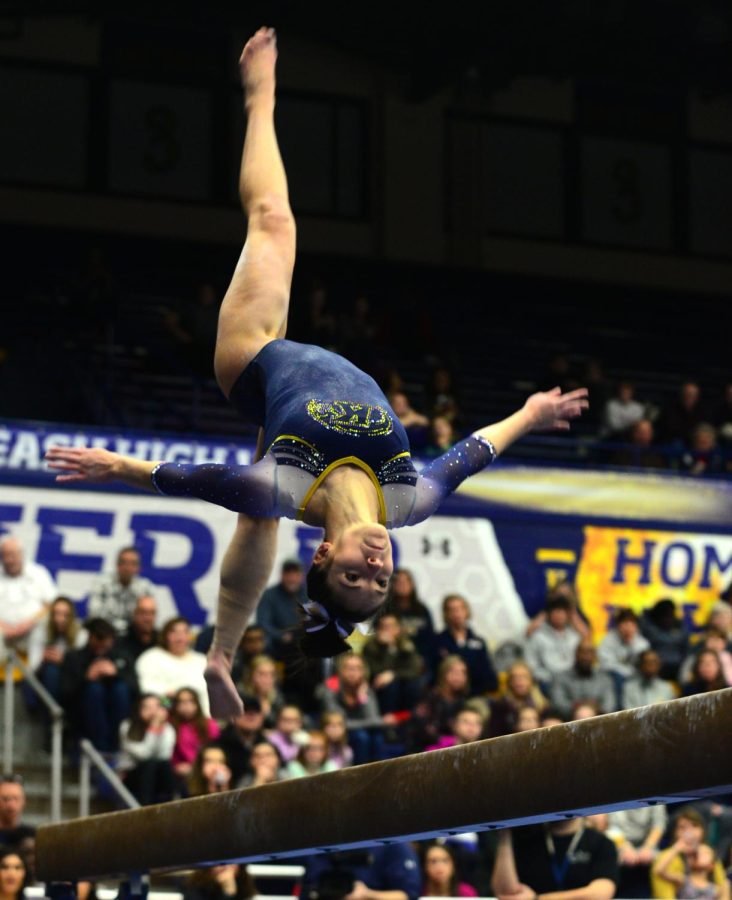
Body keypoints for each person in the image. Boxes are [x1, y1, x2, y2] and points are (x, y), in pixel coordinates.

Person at [45, 27, 588, 718]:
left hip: (255, 360)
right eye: (380, 582)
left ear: (325, 556)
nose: (376, 566)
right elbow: (472, 453)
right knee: (258, 518)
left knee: (273, 221)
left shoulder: (283, 483)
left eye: (355, 575)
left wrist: (112, 465)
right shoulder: (408, 501)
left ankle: (259, 95)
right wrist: (533, 414)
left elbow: (182, 479)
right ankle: (221, 656)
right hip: (312, 393)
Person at [491, 819, 618, 900]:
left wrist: (538, 898)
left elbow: (600, 894)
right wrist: (505, 835)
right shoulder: (527, 838)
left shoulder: (601, 843)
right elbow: (505, 893)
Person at [60, 617, 135, 752]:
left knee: (120, 689)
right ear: (90, 637)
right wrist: (86, 678)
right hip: (83, 718)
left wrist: (116, 674)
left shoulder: (123, 657)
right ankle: (99, 748)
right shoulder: (74, 658)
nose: (103, 643)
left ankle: (116, 746)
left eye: (107, 639)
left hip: (116, 718)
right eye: (98, 638)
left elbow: (136, 690)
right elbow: (64, 694)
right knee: (94, 690)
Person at [135, 617, 210, 715]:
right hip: (167, 716)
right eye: (174, 632)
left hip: (205, 719)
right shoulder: (150, 658)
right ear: (165, 635)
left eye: (185, 632)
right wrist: (169, 700)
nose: (180, 638)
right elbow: (148, 691)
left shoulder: (202, 660)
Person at [651, 807, 729, 900]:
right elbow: (659, 873)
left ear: (703, 831)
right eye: (682, 827)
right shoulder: (666, 858)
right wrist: (677, 848)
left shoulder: (709, 853)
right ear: (675, 833)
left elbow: (723, 886)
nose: (689, 832)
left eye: (694, 826)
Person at [0, 537, 54, 671]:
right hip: (2, 632)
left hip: (31, 630)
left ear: (21, 554)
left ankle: (31, 678)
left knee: (40, 631)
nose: (9, 560)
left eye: (12, 555)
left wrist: (28, 624)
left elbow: (50, 604)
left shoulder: (39, 574)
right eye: (5, 555)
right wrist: (4, 627)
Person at [302, 844, 421, 900]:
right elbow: (308, 888)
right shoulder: (321, 846)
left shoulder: (392, 845)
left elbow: (408, 895)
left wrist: (367, 894)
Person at [430, 595, 497, 694]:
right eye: (452, 610)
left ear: (467, 611)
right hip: (446, 697)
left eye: (460, 608)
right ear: (446, 614)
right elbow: (434, 674)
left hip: (475, 693)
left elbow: (489, 676)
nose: (457, 613)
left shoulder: (479, 642)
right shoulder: (436, 641)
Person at [118, 693, 176, 805]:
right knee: (149, 764)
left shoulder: (168, 729)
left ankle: (170, 806)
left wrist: (159, 728)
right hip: (132, 775)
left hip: (157, 774)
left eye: (157, 707)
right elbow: (143, 755)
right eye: (147, 707)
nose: (153, 712)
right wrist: (153, 729)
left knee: (165, 766)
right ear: (139, 709)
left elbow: (165, 756)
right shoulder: (127, 726)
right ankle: (145, 807)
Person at [361, 613, 424, 714]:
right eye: (384, 627)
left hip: (402, 683)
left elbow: (414, 669)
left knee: (413, 684)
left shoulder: (406, 645)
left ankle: (410, 718)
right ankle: (388, 721)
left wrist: (393, 674)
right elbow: (374, 671)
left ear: (398, 628)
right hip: (379, 685)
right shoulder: (371, 647)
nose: (387, 630)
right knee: (390, 686)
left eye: (391, 626)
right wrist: (385, 648)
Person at [87, 547, 155, 634]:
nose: (128, 567)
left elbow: (148, 618)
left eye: (133, 564)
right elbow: (94, 614)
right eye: (124, 563)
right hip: (105, 633)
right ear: (117, 565)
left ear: (138, 568)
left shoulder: (145, 588)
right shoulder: (102, 583)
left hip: (133, 636)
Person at [549, 639, 616, 719]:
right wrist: (578, 708)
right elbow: (558, 703)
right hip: (568, 721)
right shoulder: (561, 677)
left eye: (590, 653)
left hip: (599, 721)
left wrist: (593, 710)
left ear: (595, 656)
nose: (586, 657)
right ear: (576, 654)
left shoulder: (605, 679)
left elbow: (609, 705)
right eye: (582, 652)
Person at [255, 559, 306, 659]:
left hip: (303, 642)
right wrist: (281, 636)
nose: (291, 578)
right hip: (277, 644)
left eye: (295, 574)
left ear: (301, 576)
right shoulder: (269, 595)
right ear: (282, 575)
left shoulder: (309, 595)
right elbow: (262, 622)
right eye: (288, 574)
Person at [170, 688, 221, 785]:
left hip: (208, 767)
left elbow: (216, 749)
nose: (186, 706)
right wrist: (167, 698)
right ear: (175, 705)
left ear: (197, 704)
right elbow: (160, 706)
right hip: (182, 773)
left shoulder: (209, 724)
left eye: (190, 701)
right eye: (181, 702)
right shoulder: (172, 726)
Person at [489, 661, 548, 737]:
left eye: (524, 676)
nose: (519, 680)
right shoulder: (499, 707)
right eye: (515, 677)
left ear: (531, 680)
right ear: (509, 682)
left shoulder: (543, 706)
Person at [0, 778, 30, 849]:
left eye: (16, 798)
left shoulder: (32, 835)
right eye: (5, 799)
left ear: (23, 801)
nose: (11, 805)